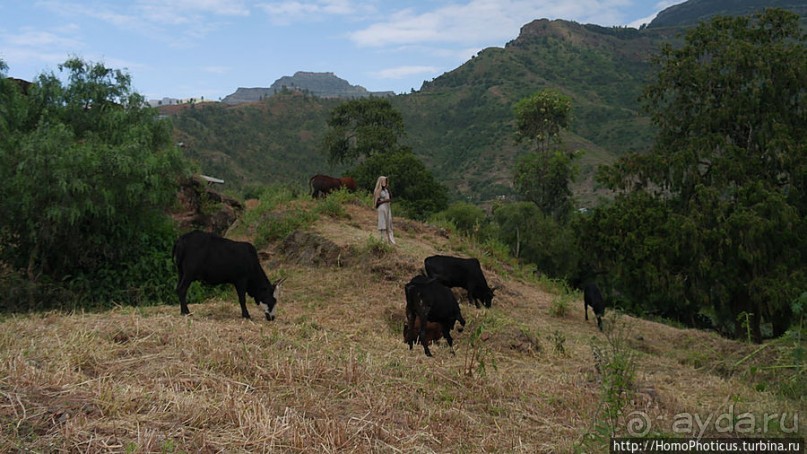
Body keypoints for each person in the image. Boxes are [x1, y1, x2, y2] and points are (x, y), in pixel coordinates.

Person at [373, 176, 396, 244]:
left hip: (387, 207)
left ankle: (391, 240)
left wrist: (388, 189)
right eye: (384, 181)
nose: (385, 183)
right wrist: (385, 201)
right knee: (383, 223)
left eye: (386, 181)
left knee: (389, 222)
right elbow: (376, 203)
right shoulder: (378, 190)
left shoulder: (386, 190)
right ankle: (382, 240)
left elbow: (391, 197)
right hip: (382, 207)